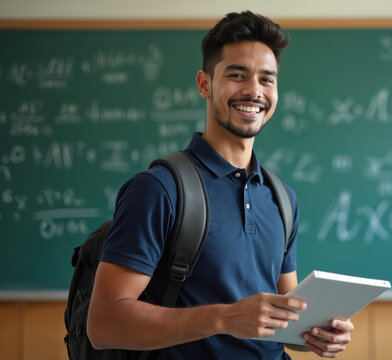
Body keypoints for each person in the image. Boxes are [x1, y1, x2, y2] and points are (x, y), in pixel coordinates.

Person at [87, 10, 354, 359]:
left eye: (267, 79)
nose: (254, 91)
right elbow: (104, 325)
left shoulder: (282, 199)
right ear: (204, 84)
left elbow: (283, 321)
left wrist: (314, 335)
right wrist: (224, 318)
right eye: (237, 75)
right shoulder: (158, 190)